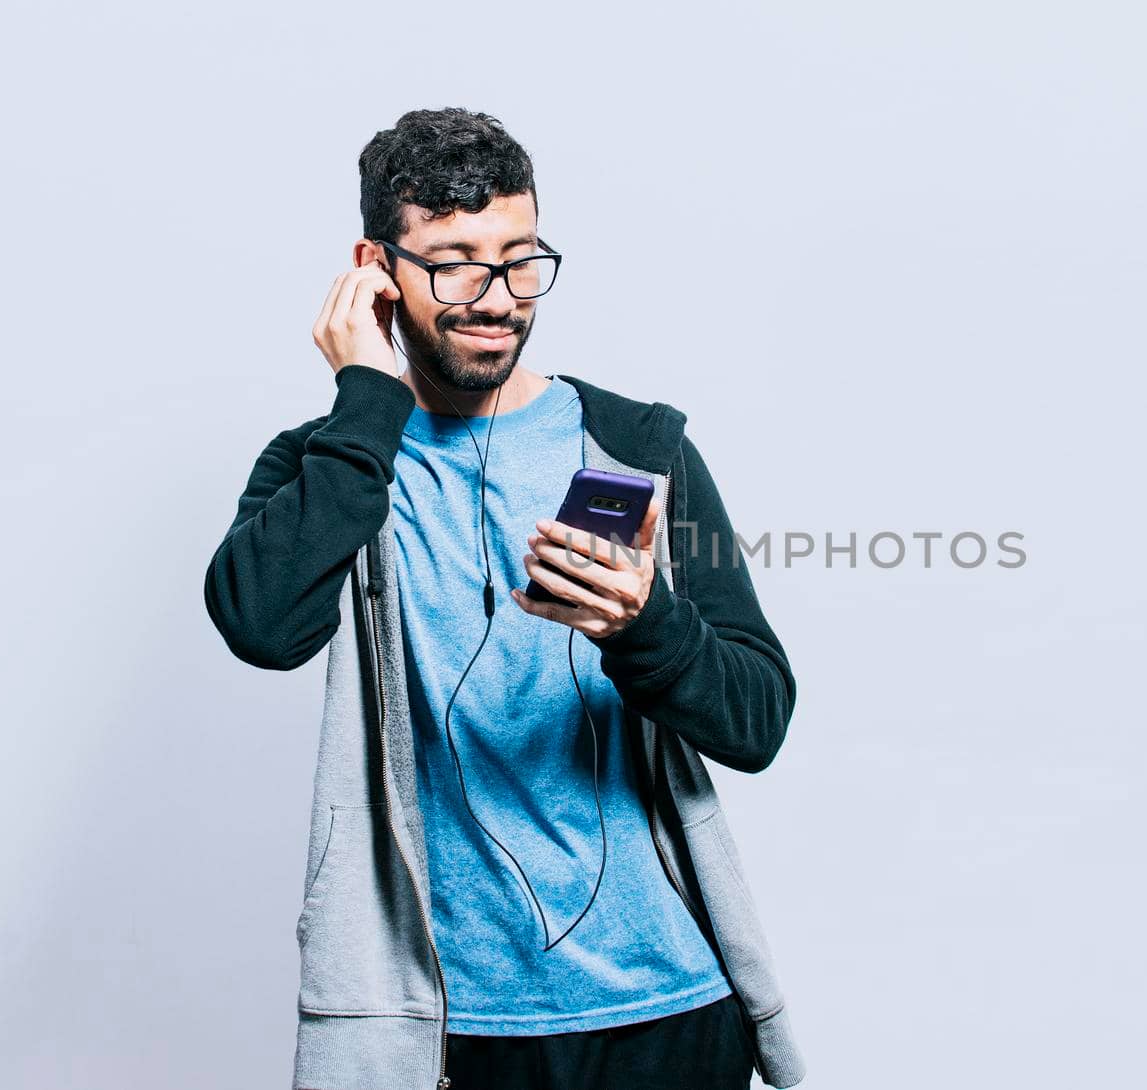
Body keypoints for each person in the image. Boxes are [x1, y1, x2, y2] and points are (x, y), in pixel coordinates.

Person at [203, 107, 805, 1090]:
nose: (498, 298)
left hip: (668, 1015)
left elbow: (757, 719)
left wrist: (643, 625)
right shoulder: (332, 466)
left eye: (520, 260)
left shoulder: (630, 449)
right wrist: (366, 399)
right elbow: (262, 626)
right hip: (449, 1030)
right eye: (454, 263)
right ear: (375, 267)